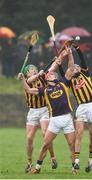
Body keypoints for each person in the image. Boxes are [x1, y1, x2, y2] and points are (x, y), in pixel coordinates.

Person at [18, 46, 77, 174]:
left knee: (71, 144)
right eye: (31, 70)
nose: (49, 74)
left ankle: (71, 166)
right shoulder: (43, 89)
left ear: (54, 77)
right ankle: (35, 166)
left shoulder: (62, 82)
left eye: (51, 74)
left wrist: (67, 54)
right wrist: (22, 79)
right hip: (49, 117)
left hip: (64, 117)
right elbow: (28, 88)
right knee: (40, 142)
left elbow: (69, 69)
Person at [18, 64, 57, 173]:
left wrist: (56, 62)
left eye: (35, 69)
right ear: (26, 73)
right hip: (32, 112)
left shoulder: (42, 78)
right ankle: (29, 162)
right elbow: (29, 81)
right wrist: (22, 77)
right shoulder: (26, 80)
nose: (34, 71)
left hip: (44, 109)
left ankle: (53, 157)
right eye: (31, 70)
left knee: (45, 134)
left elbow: (51, 71)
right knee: (29, 138)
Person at [70, 44, 92, 172]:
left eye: (77, 67)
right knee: (79, 133)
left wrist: (77, 49)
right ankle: (76, 161)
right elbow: (61, 71)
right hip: (81, 107)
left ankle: (90, 160)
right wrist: (59, 61)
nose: (75, 67)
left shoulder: (85, 73)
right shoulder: (70, 81)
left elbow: (82, 60)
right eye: (73, 67)